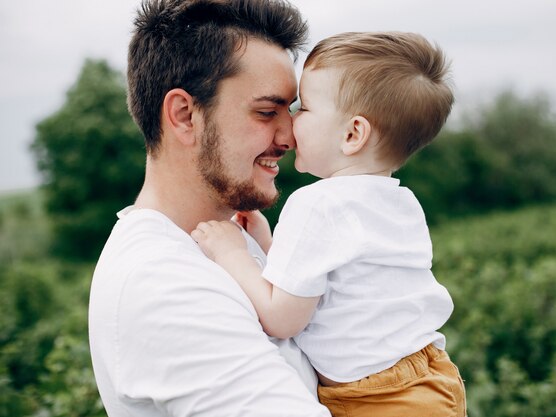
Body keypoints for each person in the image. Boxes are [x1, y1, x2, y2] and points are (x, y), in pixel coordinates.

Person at [192, 31, 466, 417]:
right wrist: (271, 246)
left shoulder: (317, 204)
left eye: (303, 108)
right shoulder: (398, 201)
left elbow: (283, 318)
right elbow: (332, 285)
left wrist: (231, 253)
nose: (289, 125)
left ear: (353, 134)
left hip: (381, 398)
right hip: (431, 376)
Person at [88, 0, 331, 416]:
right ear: (184, 115)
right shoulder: (161, 284)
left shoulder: (232, 239)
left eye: (289, 112)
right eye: (267, 112)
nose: (289, 136)